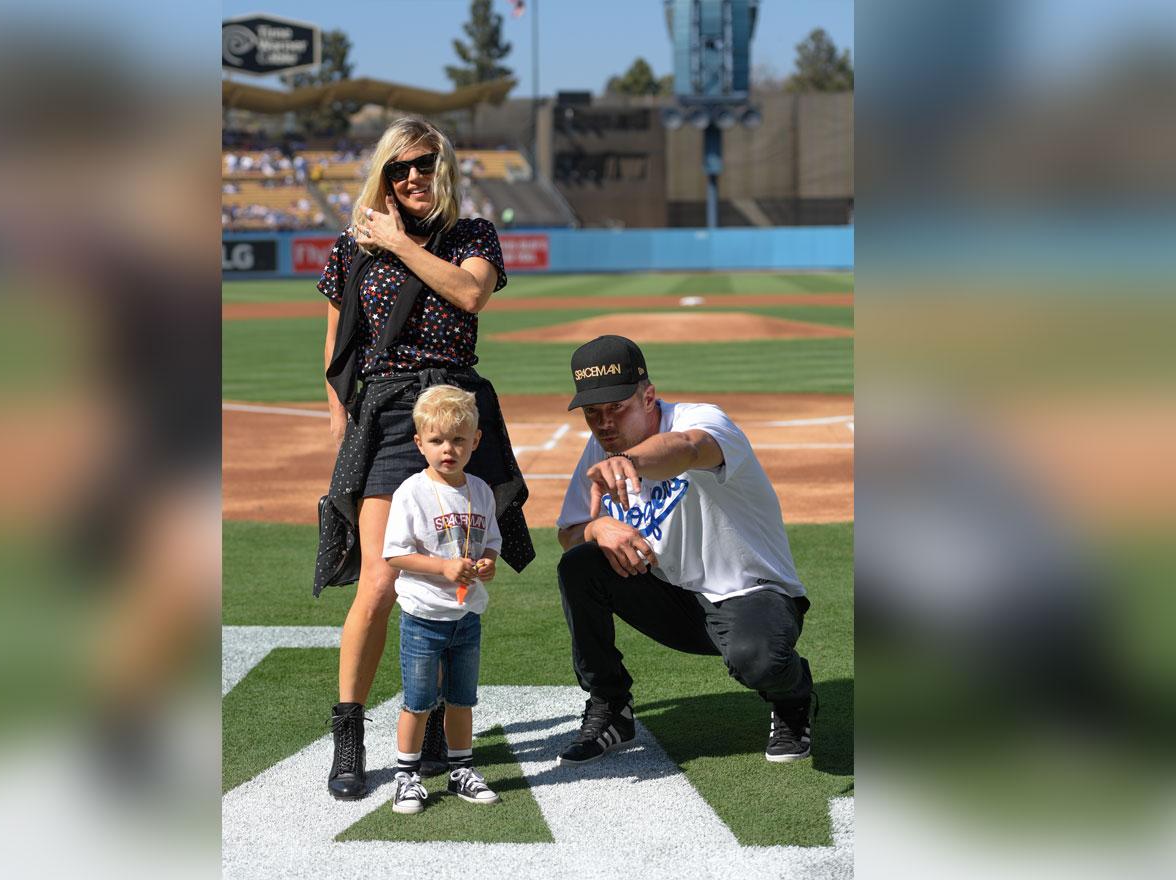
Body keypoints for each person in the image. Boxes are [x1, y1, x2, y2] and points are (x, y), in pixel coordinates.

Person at [313, 116, 533, 801]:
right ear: (383, 173)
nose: (413, 177)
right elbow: (338, 353)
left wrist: (401, 244)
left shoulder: (472, 237)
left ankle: (437, 724)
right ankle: (349, 729)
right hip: (384, 416)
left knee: (455, 570)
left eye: (426, 165)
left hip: (455, 412)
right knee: (381, 580)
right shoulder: (351, 251)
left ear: (446, 171)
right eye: (400, 166)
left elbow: (470, 295)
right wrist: (339, 430)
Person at [554, 336, 817, 765]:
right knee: (579, 564)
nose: (604, 423)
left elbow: (690, 449)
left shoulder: (700, 420)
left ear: (649, 396)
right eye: (592, 413)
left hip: (750, 593)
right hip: (671, 598)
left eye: (616, 407)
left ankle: (793, 697)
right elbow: (569, 531)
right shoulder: (602, 446)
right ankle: (610, 706)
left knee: (761, 662)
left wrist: (631, 462)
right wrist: (598, 527)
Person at [382, 385, 503, 813]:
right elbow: (395, 553)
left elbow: (491, 542)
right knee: (417, 701)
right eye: (436, 440)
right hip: (423, 616)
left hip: (466, 614)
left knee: (462, 699)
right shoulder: (410, 492)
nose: (447, 449)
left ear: (475, 441)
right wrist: (443, 568)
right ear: (419, 443)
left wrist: (486, 562)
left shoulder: (481, 491)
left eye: (458, 440)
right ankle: (407, 776)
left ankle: (461, 769)